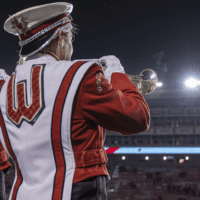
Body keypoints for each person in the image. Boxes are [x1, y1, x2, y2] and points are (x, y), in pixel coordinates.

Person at [1, 2, 150, 200]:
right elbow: (137, 118)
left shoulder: (5, 87)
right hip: (74, 191)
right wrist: (116, 73)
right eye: (70, 38)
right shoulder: (81, 75)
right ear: (62, 37)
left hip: (22, 193)